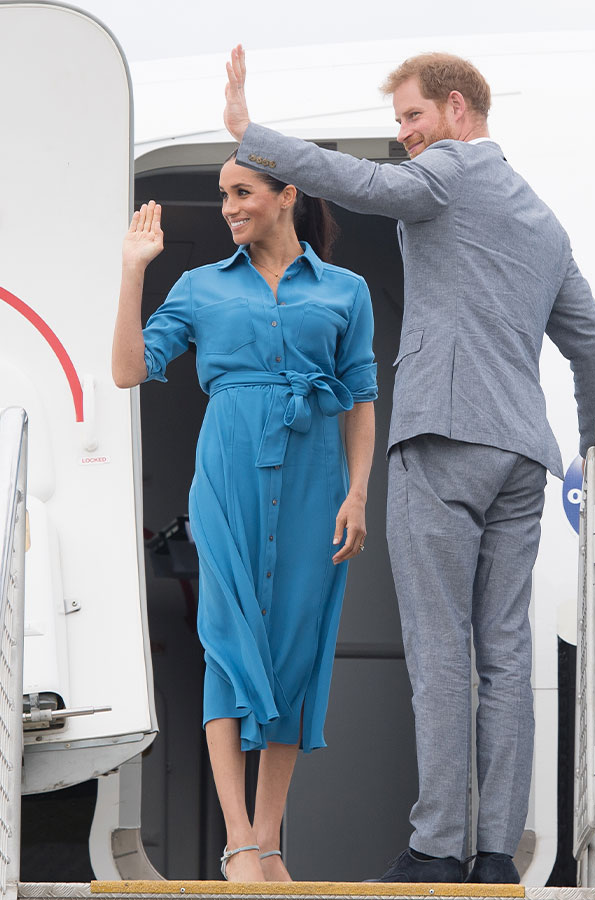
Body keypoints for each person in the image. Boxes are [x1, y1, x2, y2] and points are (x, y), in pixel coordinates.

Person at [222, 47, 595, 885]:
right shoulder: (544, 221)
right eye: (400, 122)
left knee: (441, 651)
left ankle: (439, 846)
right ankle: (493, 857)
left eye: (412, 116)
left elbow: (359, 186)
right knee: (505, 656)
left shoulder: (448, 174)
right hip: (522, 455)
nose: (405, 135)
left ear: (457, 110)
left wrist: (251, 136)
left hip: (443, 439)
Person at [112, 156, 377, 882]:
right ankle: (238, 844)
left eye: (242, 193)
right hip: (227, 474)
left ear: (285, 196)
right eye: (224, 195)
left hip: (316, 478)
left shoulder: (345, 291)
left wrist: (357, 493)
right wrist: (135, 269)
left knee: (293, 649)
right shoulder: (199, 286)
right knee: (228, 640)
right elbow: (129, 370)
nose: (228, 206)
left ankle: (269, 840)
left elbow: (359, 398)